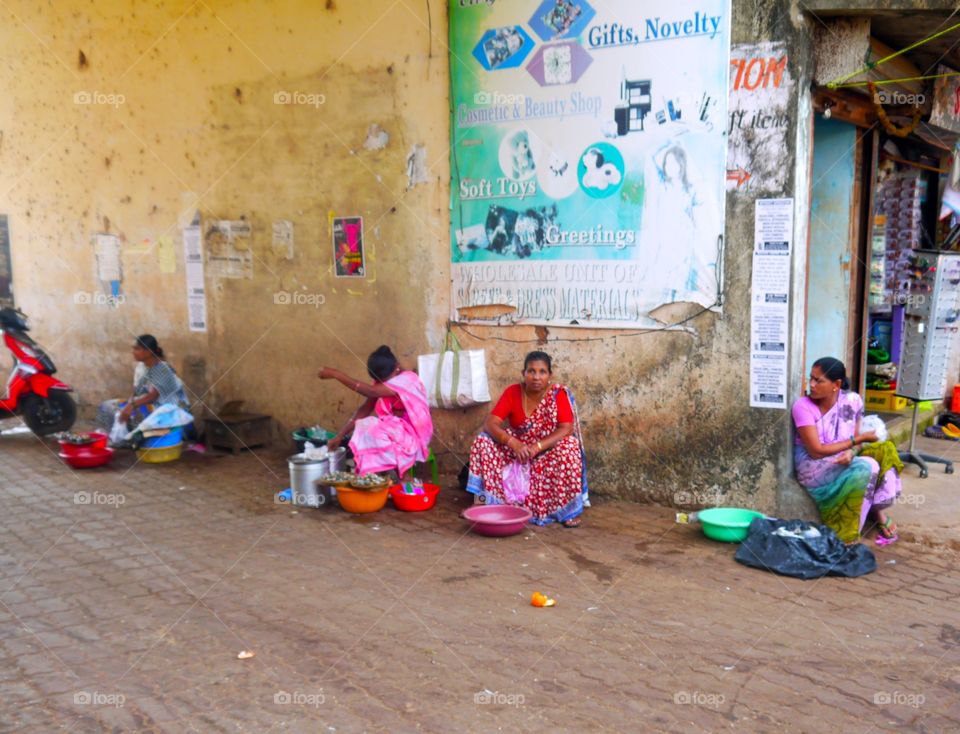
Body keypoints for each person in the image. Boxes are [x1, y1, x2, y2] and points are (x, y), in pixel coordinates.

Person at [466, 351, 588, 527]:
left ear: (549, 375)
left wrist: (537, 447)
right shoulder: (513, 392)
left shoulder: (557, 394)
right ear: (524, 373)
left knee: (570, 445)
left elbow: (566, 428)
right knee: (483, 441)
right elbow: (490, 424)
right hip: (517, 452)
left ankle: (566, 511)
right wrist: (513, 443)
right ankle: (481, 501)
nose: (536, 377)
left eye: (542, 372)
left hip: (546, 453)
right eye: (531, 371)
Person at [792, 357, 902, 544]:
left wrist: (853, 451)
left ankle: (876, 510)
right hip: (813, 466)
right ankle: (847, 534)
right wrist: (857, 441)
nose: (812, 385)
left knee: (885, 449)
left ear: (836, 384)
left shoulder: (852, 401)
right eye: (810, 378)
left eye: (818, 380)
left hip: (843, 455)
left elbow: (856, 441)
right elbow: (816, 451)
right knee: (867, 467)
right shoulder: (802, 407)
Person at [319, 345, 433, 477]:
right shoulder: (382, 383)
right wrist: (339, 435)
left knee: (374, 428)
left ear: (396, 367)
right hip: (396, 432)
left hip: (415, 435)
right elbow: (364, 409)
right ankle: (377, 477)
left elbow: (371, 391)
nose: (383, 383)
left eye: (385, 379)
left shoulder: (408, 379)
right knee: (365, 427)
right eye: (380, 380)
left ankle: (404, 476)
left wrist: (336, 374)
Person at [97, 335, 191, 435]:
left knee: (135, 414)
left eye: (137, 349)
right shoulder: (143, 368)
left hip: (170, 412)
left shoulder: (162, 368)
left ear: (149, 352)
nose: (133, 352)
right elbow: (137, 392)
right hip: (152, 405)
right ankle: (109, 437)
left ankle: (135, 441)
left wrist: (131, 406)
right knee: (107, 406)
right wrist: (129, 403)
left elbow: (153, 396)